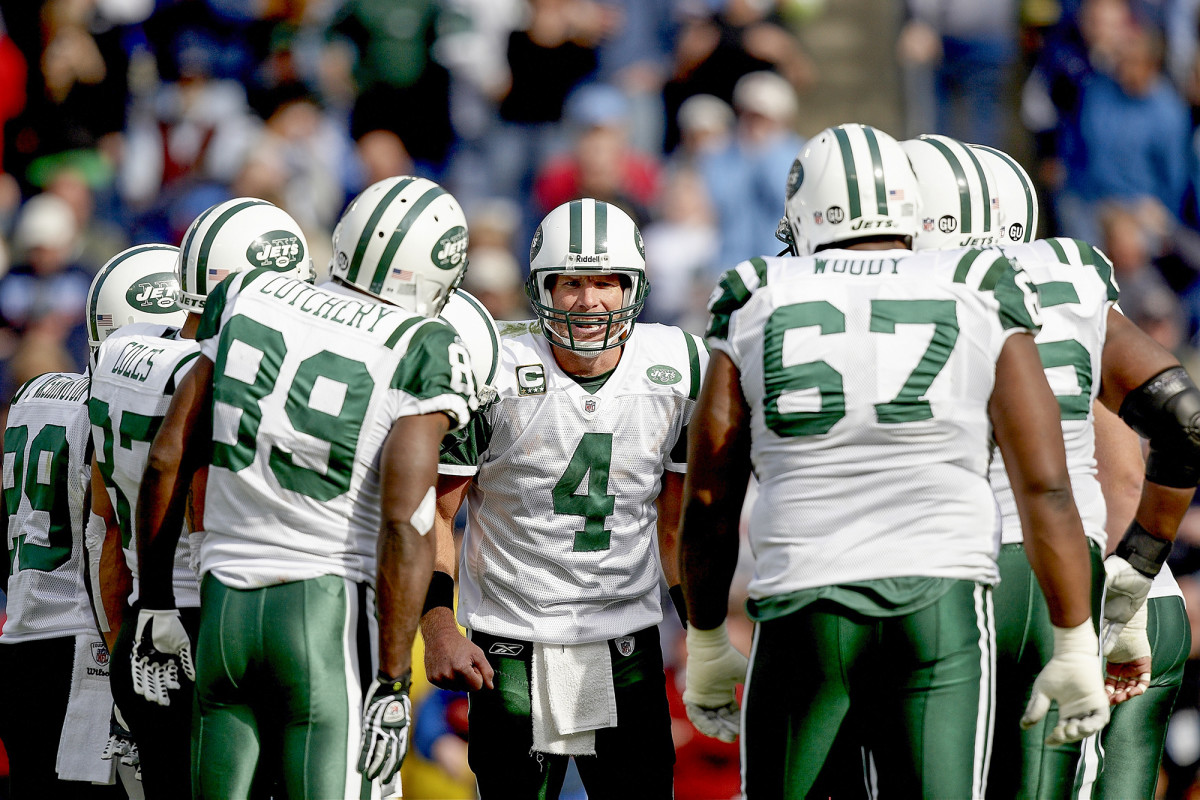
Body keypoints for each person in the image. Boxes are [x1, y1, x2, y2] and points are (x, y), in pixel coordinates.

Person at [680, 123, 1109, 797]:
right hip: (939, 594)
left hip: (806, 596)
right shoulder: (976, 280)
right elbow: (1047, 487)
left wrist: (704, 636)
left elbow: (708, 497)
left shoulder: (759, 288)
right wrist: (1075, 634)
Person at [133, 176, 477, 800]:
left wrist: (154, 600)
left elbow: (168, 457)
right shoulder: (424, 343)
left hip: (222, 611)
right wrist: (396, 681)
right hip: (324, 617)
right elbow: (408, 522)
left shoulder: (248, 291)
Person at [421, 198, 707, 799]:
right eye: (570, 282)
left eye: (607, 281)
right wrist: (441, 626)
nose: (589, 300)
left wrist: (702, 637)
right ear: (540, 288)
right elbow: (438, 514)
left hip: (628, 641)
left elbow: (676, 526)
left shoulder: (676, 365)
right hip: (510, 644)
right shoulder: (492, 362)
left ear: (636, 286)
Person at [969, 142, 1197, 799]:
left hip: (1049, 594)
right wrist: (1138, 571)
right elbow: (1138, 450)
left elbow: (1123, 471)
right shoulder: (1067, 281)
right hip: (1133, 593)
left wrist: (1116, 591)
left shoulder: (937, 295)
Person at [89, 201, 313, 799]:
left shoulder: (117, 354)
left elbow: (107, 520)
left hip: (145, 612)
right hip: (215, 623)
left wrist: (127, 632)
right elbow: (203, 507)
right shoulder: (220, 373)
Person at [0, 250, 164, 798]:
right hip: (86, 647)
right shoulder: (110, 409)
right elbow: (107, 539)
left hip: (23, 632)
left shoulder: (32, 396)